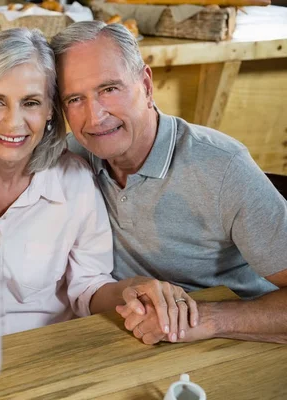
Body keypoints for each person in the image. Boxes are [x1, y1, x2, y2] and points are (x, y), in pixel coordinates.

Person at [0, 28, 197, 337]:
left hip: (45, 355)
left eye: (30, 102)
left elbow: (88, 287)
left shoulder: (76, 181)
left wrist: (130, 290)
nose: (13, 122)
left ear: (49, 112)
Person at [51, 21, 287, 344]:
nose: (94, 117)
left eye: (109, 89)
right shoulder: (72, 160)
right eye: (75, 99)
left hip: (237, 347)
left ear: (146, 85)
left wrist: (208, 319)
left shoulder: (223, 167)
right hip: (137, 345)